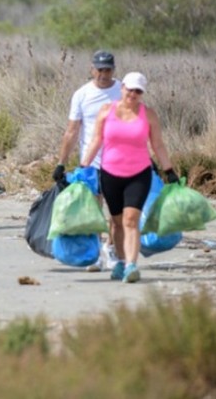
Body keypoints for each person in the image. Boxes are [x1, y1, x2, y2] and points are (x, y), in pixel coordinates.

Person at [79, 71, 179, 283]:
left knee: (131, 220)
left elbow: (158, 144)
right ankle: (122, 262)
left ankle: (132, 265)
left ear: (142, 93)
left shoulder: (148, 114)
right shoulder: (106, 111)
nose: (133, 94)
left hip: (139, 174)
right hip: (110, 174)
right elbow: (96, 141)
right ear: (122, 87)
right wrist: (83, 167)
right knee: (116, 222)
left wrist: (169, 170)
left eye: (138, 91)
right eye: (130, 89)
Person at [52, 50, 121, 272]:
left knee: (115, 212)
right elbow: (72, 131)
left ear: (113, 69)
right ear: (92, 69)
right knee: (92, 211)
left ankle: (111, 250)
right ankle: (95, 255)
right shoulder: (82, 94)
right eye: (99, 69)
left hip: (119, 162)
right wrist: (61, 163)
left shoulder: (122, 91)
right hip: (90, 163)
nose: (103, 74)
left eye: (107, 69)